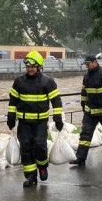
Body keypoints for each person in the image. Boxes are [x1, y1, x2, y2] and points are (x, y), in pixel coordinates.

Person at [7, 51, 63, 187]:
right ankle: (31, 177)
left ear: (39, 67)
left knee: (39, 145)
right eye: (28, 66)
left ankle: (42, 167)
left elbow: (56, 101)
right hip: (24, 123)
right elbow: (13, 101)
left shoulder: (48, 82)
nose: (30, 69)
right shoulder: (19, 81)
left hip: (40, 123)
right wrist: (11, 117)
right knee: (25, 148)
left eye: (33, 66)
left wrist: (57, 118)